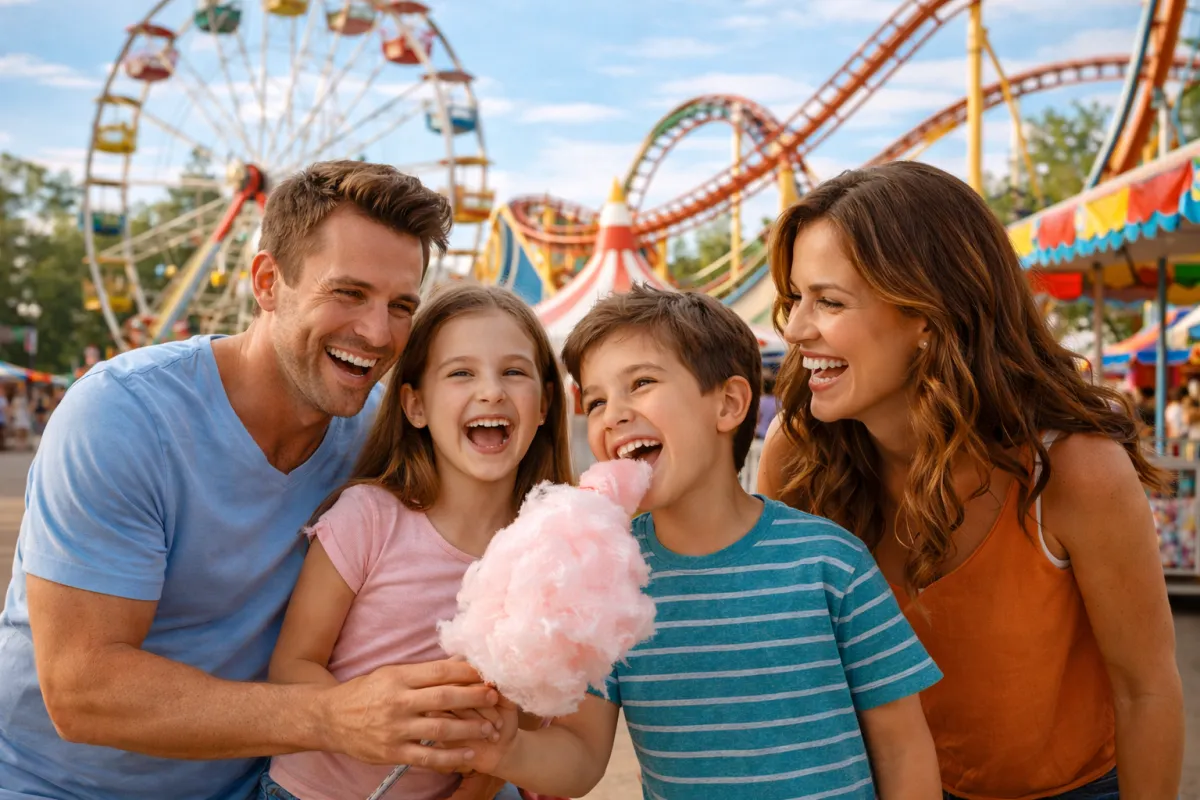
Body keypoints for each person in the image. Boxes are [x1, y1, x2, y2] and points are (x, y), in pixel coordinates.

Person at [0, 161, 505, 800]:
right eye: (347, 293)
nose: (378, 334)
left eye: (401, 305)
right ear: (268, 282)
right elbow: (82, 690)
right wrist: (334, 717)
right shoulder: (122, 417)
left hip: (265, 782)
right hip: (62, 785)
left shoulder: (384, 437)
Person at [757, 161, 1184, 799]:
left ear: (926, 317)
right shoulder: (798, 453)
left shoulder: (1074, 469)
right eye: (795, 300)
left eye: (829, 301)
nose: (793, 330)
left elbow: (1145, 688)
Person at [458, 285, 944, 799]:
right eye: (596, 400)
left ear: (730, 404)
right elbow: (581, 757)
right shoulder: (604, 582)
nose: (613, 414)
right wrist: (505, 749)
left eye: (641, 383)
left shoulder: (831, 562)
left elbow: (902, 746)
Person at [259, 283, 572, 800]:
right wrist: (361, 721)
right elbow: (293, 665)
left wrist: (488, 776)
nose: (492, 391)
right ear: (416, 405)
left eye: (514, 372)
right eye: (461, 372)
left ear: (544, 406)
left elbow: (534, 715)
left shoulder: (555, 557)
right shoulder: (368, 518)